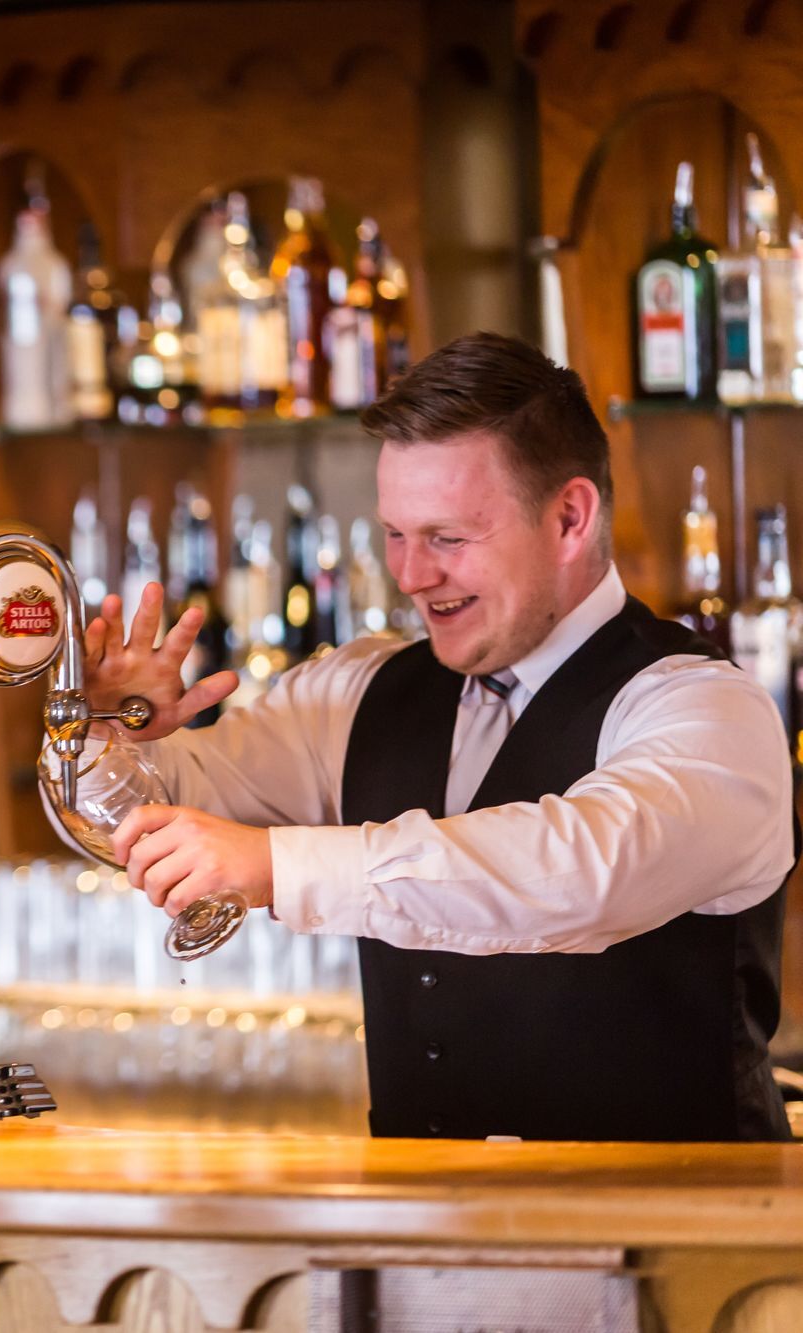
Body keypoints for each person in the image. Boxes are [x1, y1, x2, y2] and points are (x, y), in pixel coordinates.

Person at [86, 332, 792, 1142]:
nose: (412, 574)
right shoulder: (354, 692)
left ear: (569, 517)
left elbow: (583, 868)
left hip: (672, 1251)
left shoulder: (705, 710)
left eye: (448, 538)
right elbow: (156, 811)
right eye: (395, 533)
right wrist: (105, 737)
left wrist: (279, 864)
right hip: (416, 1247)